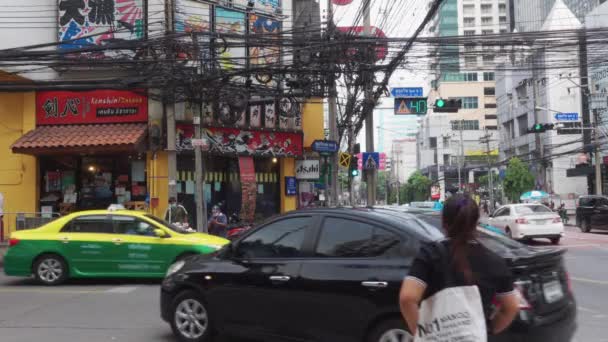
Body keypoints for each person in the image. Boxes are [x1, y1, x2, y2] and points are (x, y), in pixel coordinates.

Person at [399, 194, 519, 338]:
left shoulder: (430, 254)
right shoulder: (494, 261)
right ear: (476, 223)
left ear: (443, 222)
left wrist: (422, 334)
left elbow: (407, 298)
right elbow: (510, 307)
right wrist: (488, 329)